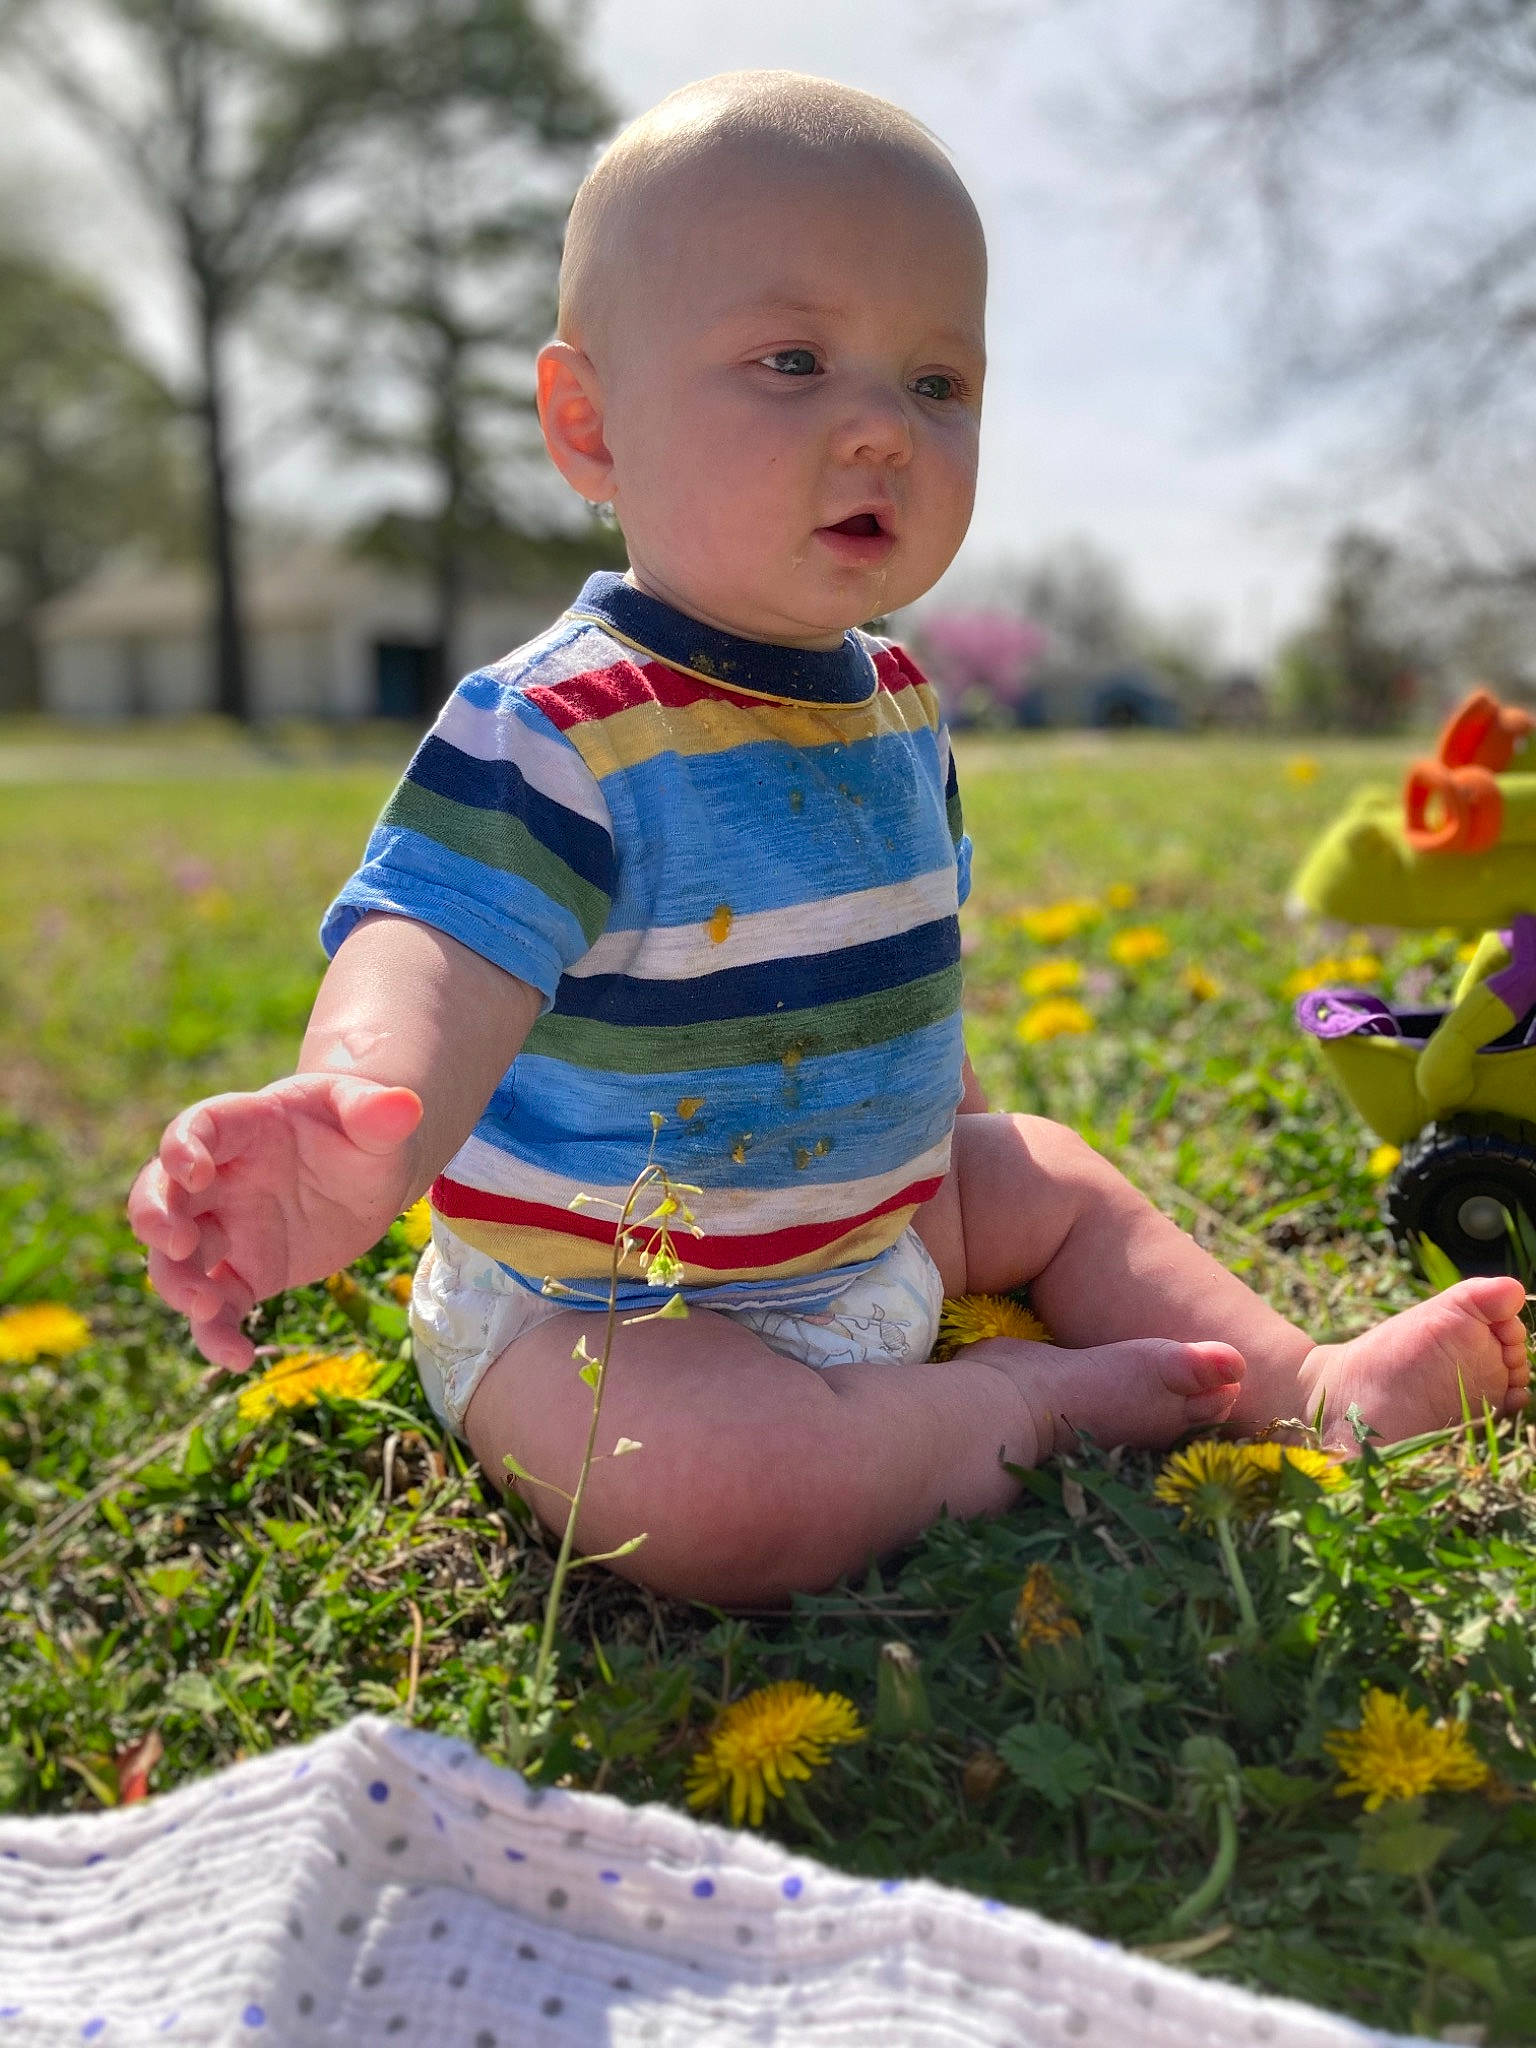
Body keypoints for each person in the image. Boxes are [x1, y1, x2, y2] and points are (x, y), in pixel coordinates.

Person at [129, 72, 1529, 1606]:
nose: (879, 427)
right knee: (714, 1495)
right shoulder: (563, 725)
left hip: (875, 1230)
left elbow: (902, 987)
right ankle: (1021, 1407)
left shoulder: (903, 707)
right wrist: (352, 1106)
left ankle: (1305, 1384)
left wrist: (960, 1147)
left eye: (937, 384)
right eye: (792, 362)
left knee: (1047, 1169)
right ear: (590, 426)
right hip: (609, 1306)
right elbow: (433, 950)